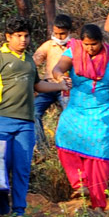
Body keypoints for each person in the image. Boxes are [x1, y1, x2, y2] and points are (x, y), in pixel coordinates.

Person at [0, 17, 70, 217]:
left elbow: (37, 86)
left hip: (26, 123)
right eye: (18, 36)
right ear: (8, 37)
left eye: (26, 36)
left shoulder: (29, 59)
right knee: (1, 168)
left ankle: (18, 212)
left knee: (22, 168)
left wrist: (60, 86)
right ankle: (3, 212)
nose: (23, 40)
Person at [53, 25, 109, 209]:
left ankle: (98, 203)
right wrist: (60, 78)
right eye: (87, 44)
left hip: (104, 112)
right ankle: (80, 185)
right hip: (77, 110)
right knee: (63, 136)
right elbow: (58, 68)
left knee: (99, 154)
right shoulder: (73, 52)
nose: (90, 48)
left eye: (94, 44)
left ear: (102, 42)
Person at [33, 14, 74, 146]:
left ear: (69, 32)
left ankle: (68, 146)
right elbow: (33, 63)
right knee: (33, 112)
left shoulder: (76, 46)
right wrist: (33, 84)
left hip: (68, 88)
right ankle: (41, 147)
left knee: (70, 116)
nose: (58, 37)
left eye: (62, 34)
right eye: (56, 33)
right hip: (48, 86)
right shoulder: (49, 45)